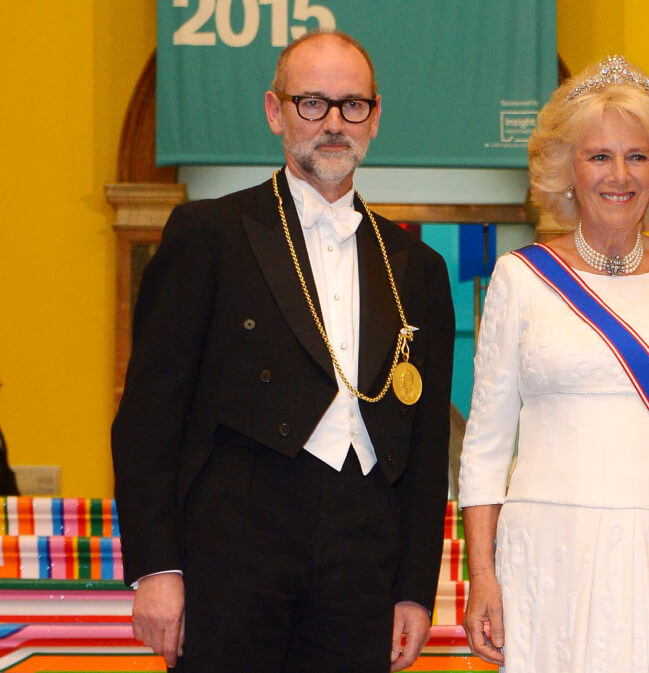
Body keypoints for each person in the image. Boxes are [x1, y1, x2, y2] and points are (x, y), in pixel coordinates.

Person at [110, 30, 454, 673]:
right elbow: (147, 422)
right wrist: (157, 566)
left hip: (363, 554)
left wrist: (413, 587)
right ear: (275, 111)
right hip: (234, 545)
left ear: (375, 118)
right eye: (311, 103)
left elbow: (426, 444)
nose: (332, 122)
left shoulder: (418, 266)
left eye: (352, 105)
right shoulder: (206, 235)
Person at [457, 56, 649, 672]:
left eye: (637, 156)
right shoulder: (522, 277)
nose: (620, 175)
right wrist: (481, 574)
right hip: (554, 550)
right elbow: (483, 449)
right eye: (599, 157)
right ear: (568, 171)